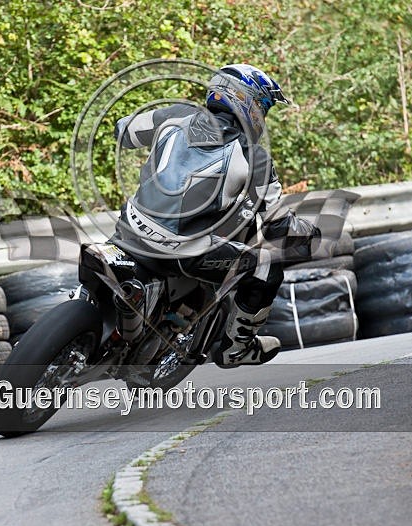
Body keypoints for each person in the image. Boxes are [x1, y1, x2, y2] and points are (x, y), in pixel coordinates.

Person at [112, 64, 320, 368]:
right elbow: (277, 225)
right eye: (264, 107)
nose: (263, 117)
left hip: (131, 224)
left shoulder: (175, 116)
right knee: (265, 268)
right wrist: (308, 232)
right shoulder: (255, 156)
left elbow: (122, 130)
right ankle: (238, 347)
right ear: (247, 102)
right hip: (183, 248)